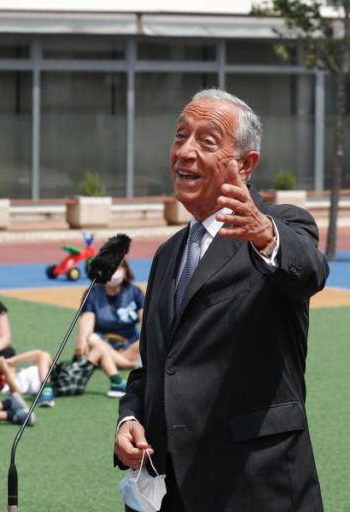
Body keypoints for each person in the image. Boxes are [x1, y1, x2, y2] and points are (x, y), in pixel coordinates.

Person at [114, 89, 328, 511]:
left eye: (206, 142)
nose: (185, 152)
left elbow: (310, 272)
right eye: (180, 136)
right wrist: (129, 418)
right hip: (171, 486)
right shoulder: (168, 254)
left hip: (254, 483)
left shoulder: (279, 227)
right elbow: (152, 365)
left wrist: (265, 233)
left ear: (246, 165)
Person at [74, 259, 144, 397]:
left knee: (146, 341)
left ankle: (116, 362)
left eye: (117, 268)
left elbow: (146, 319)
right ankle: (130, 365)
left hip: (128, 345)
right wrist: (81, 340)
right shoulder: (93, 292)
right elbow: (87, 319)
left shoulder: (134, 292)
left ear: (125, 271)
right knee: (91, 339)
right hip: (102, 344)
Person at [0, 346, 126, 406]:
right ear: (2, 378)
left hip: (65, 376)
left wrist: (11, 361)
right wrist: (4, 368)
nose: (10, 369)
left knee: (99, 350)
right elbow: (18, 391)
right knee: (44, 355)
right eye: (6, 370)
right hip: (57, 384)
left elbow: (37, 353)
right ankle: (46, 390)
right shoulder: (9, 385)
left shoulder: (22, 371)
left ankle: (117, 384)